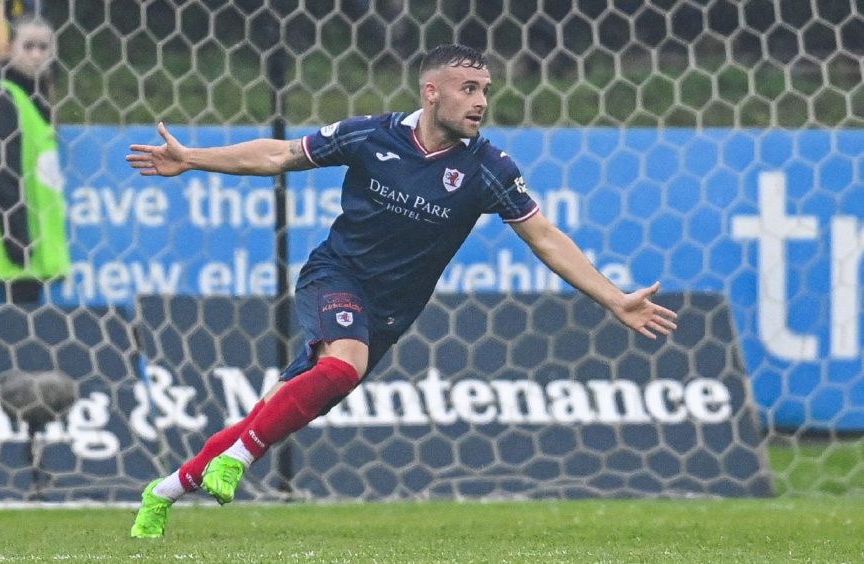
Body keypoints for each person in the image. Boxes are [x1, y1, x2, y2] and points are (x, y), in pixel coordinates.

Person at [126, 44, 679, 538]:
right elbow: (280, 154)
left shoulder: (488, 168)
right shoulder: (373, 135)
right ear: (431, 92)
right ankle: (242, 458)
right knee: (338, 370)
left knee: (280, 409)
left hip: (391, 313)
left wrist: (613, 297)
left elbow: (544, 237)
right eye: (468, 88)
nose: (481, 101)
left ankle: (166, 491)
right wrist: (193, 158)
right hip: (335, 277)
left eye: (486, 89)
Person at [0, 14, 69, 303]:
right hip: (4, 260)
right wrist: (18, 244)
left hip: (26, 262)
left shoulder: (35, 99)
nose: (36, 55)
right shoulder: (0, 97)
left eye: (44, 47)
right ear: (10, 49)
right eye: (28, 45)